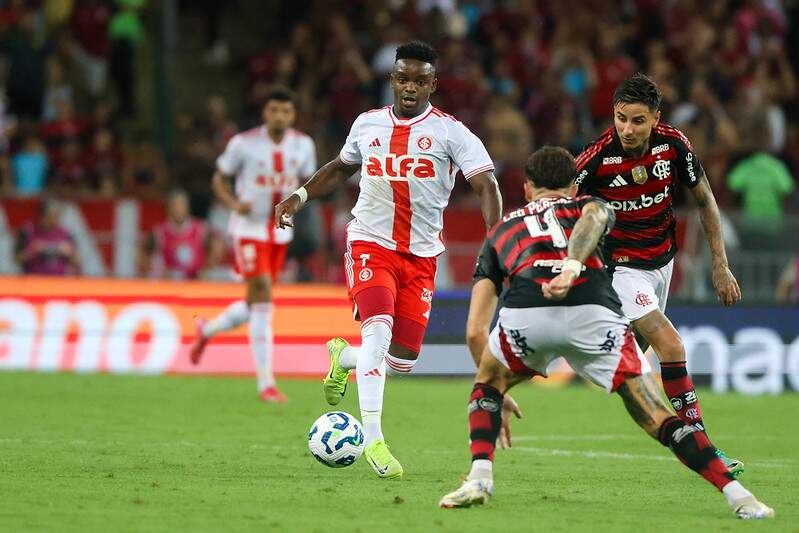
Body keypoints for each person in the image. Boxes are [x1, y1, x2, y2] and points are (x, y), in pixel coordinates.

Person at [438, 147, 774, 520]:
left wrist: (495, 389)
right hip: (593, 312)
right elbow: (594, 217)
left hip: (528, 312)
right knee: (657, 415)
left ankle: (479, 477)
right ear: (574, 188)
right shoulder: (590, 205)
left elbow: (475, 331)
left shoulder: (503, 228)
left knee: (486, 386)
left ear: (527, 188)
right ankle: (741, 497)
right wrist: (571, 266)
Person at [274, 41, 502, 478]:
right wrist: (299, 196)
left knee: (402, 359)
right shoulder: (368, 124)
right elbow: (341, 167)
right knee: (378, 331)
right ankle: (374, 441)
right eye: (403, 78)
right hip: (370, 243)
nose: (410, 86)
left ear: (433, 84)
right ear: (392, 80)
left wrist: (497, 238)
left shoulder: (452, 133)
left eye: (420, 80)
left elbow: (486, 185)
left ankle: (343, 357)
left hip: (421, 256)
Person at [573, 73, 743, 474]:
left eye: (638, 121)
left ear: (655, 118)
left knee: (630, 363)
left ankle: (584, 348)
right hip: (621, 268)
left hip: (662, 264)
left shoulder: (674, 145)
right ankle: (703, 449)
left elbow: (705, 201)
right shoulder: (596, 158)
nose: (627, 129)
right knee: (672, 346)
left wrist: (720, 265)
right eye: (621, 119)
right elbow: (559, 203)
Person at [189, 88, 317, 403]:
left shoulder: (303, 145)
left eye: (285, 111)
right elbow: (218, 178)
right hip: (248, 229)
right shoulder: (243, 143)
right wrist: (235, 203)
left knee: (255, 304)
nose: (279, 117)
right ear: (265, 113)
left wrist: (297, 204)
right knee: (263, 294)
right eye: (274, 110)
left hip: (280, 232)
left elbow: (309, 183)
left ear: (293, 115)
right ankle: (266, 383)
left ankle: (207, 330)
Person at [147, 189, 207, 280]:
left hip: (195, 282)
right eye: (175, 205)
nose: (179, 209)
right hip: (170, 282)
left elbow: (214, 252)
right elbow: (151, 261)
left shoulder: (201, 228)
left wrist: (203, 272)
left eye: (182, 204)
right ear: (169, 208)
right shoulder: (159, 231)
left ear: (187, 207)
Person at [15, 198, 80, 276]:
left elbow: (78, 261)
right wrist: (32, 251)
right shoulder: (28, 231)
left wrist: (70, 253)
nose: (54, 221)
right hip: (33, 279)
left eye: (57, 217)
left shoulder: (66, 233)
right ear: (42, 216)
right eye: (51, 217)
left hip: (59, 280)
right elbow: (17, 259)